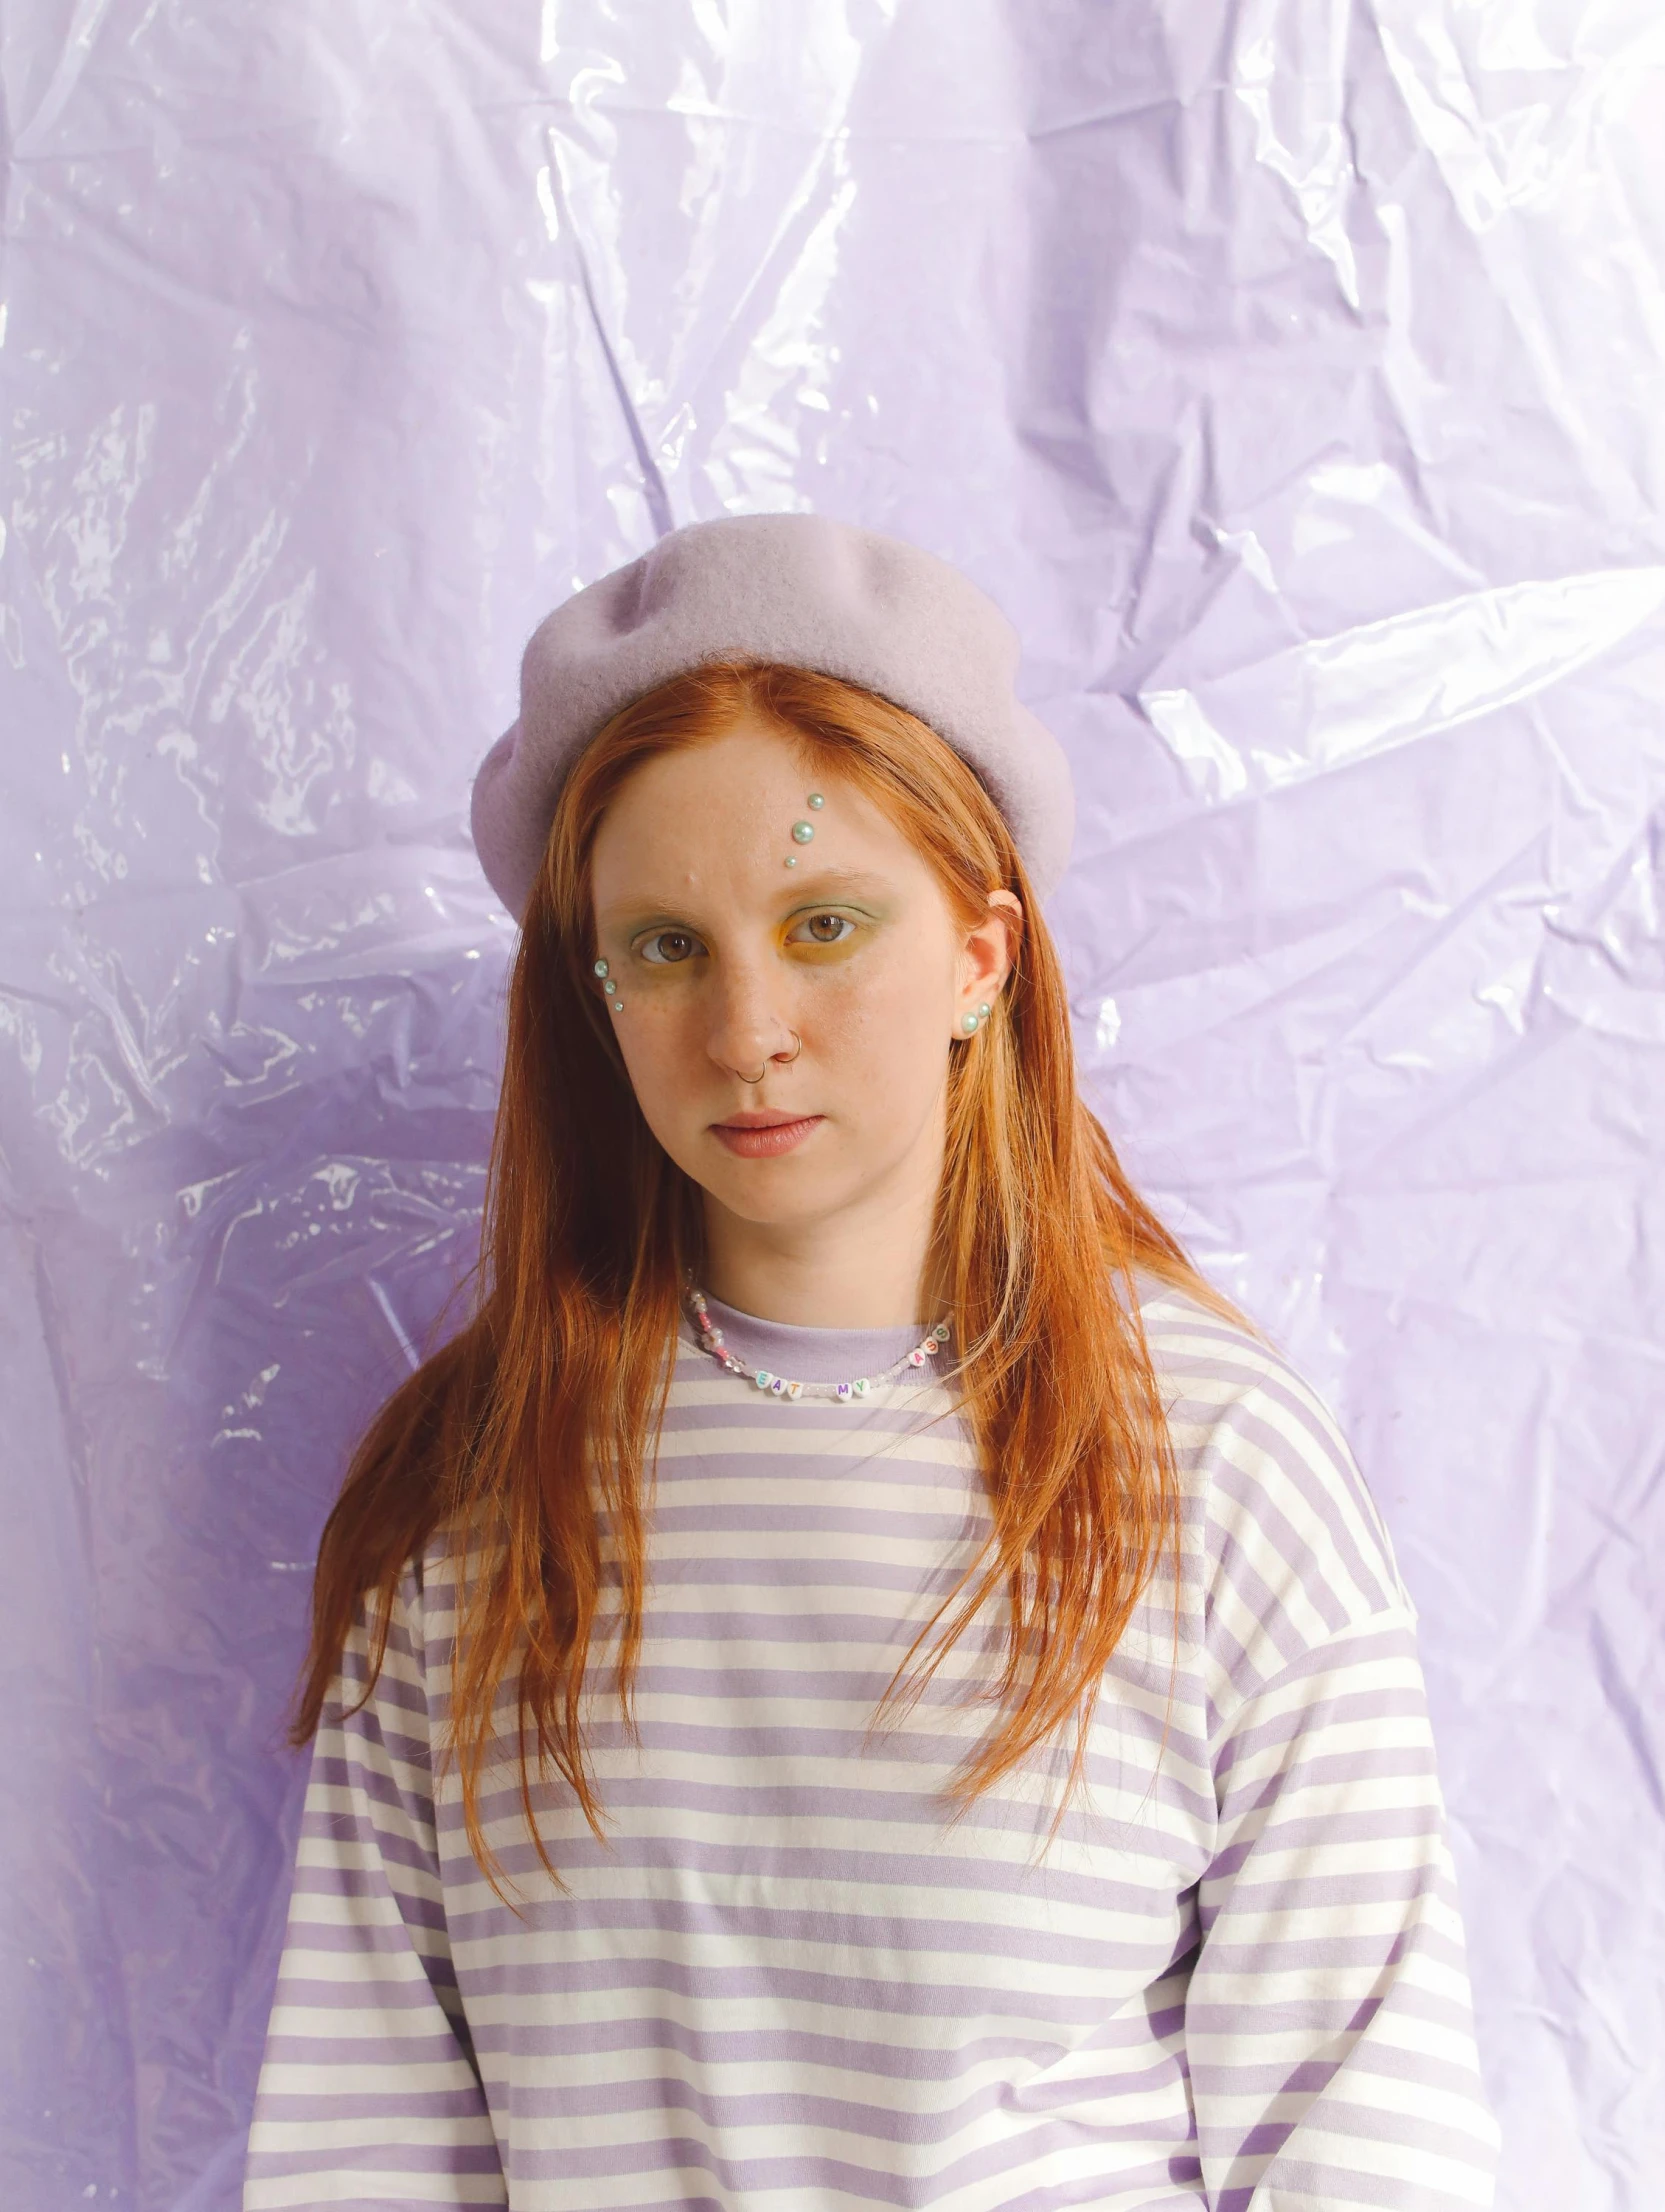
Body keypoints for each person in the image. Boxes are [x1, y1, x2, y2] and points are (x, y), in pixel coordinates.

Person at [243, 516, 1500, 2211]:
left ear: (982, 956)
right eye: (668, 945)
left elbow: (1365, 2135)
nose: (746, 1028)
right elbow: (369, 2143)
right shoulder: (475, 1491)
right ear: (592, 988)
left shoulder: (1205, 1461)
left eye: (824, 924)